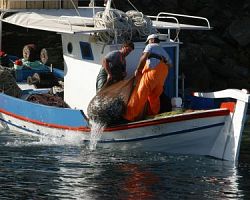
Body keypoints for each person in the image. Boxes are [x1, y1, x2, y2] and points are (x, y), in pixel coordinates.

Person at [123, 34, 171, 121]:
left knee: (140, 93)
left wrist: (138, 69)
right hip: (162, 74)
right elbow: (170, 65)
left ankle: (128, 117)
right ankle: (153, 115)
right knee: (154, 96)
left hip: (153, 71)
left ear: (152, 40)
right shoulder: (163, 50)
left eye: (147, 41)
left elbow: (144, 58)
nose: (147, 44)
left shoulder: (150, 45)